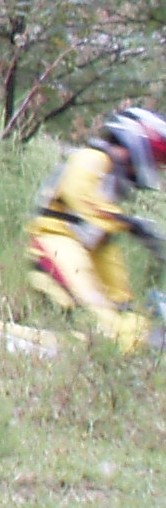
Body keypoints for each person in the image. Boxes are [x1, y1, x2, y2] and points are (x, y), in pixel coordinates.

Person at [26, 105, 166, 351]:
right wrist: (129, 223)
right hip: (53, 247)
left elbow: (106, 253)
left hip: (75, 253)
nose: (154, 167)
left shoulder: (110, 187)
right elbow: (78, 194)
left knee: (109, 325)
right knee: (103, 327)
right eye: (155, 159)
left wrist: (123, 303)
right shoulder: (92, 158)